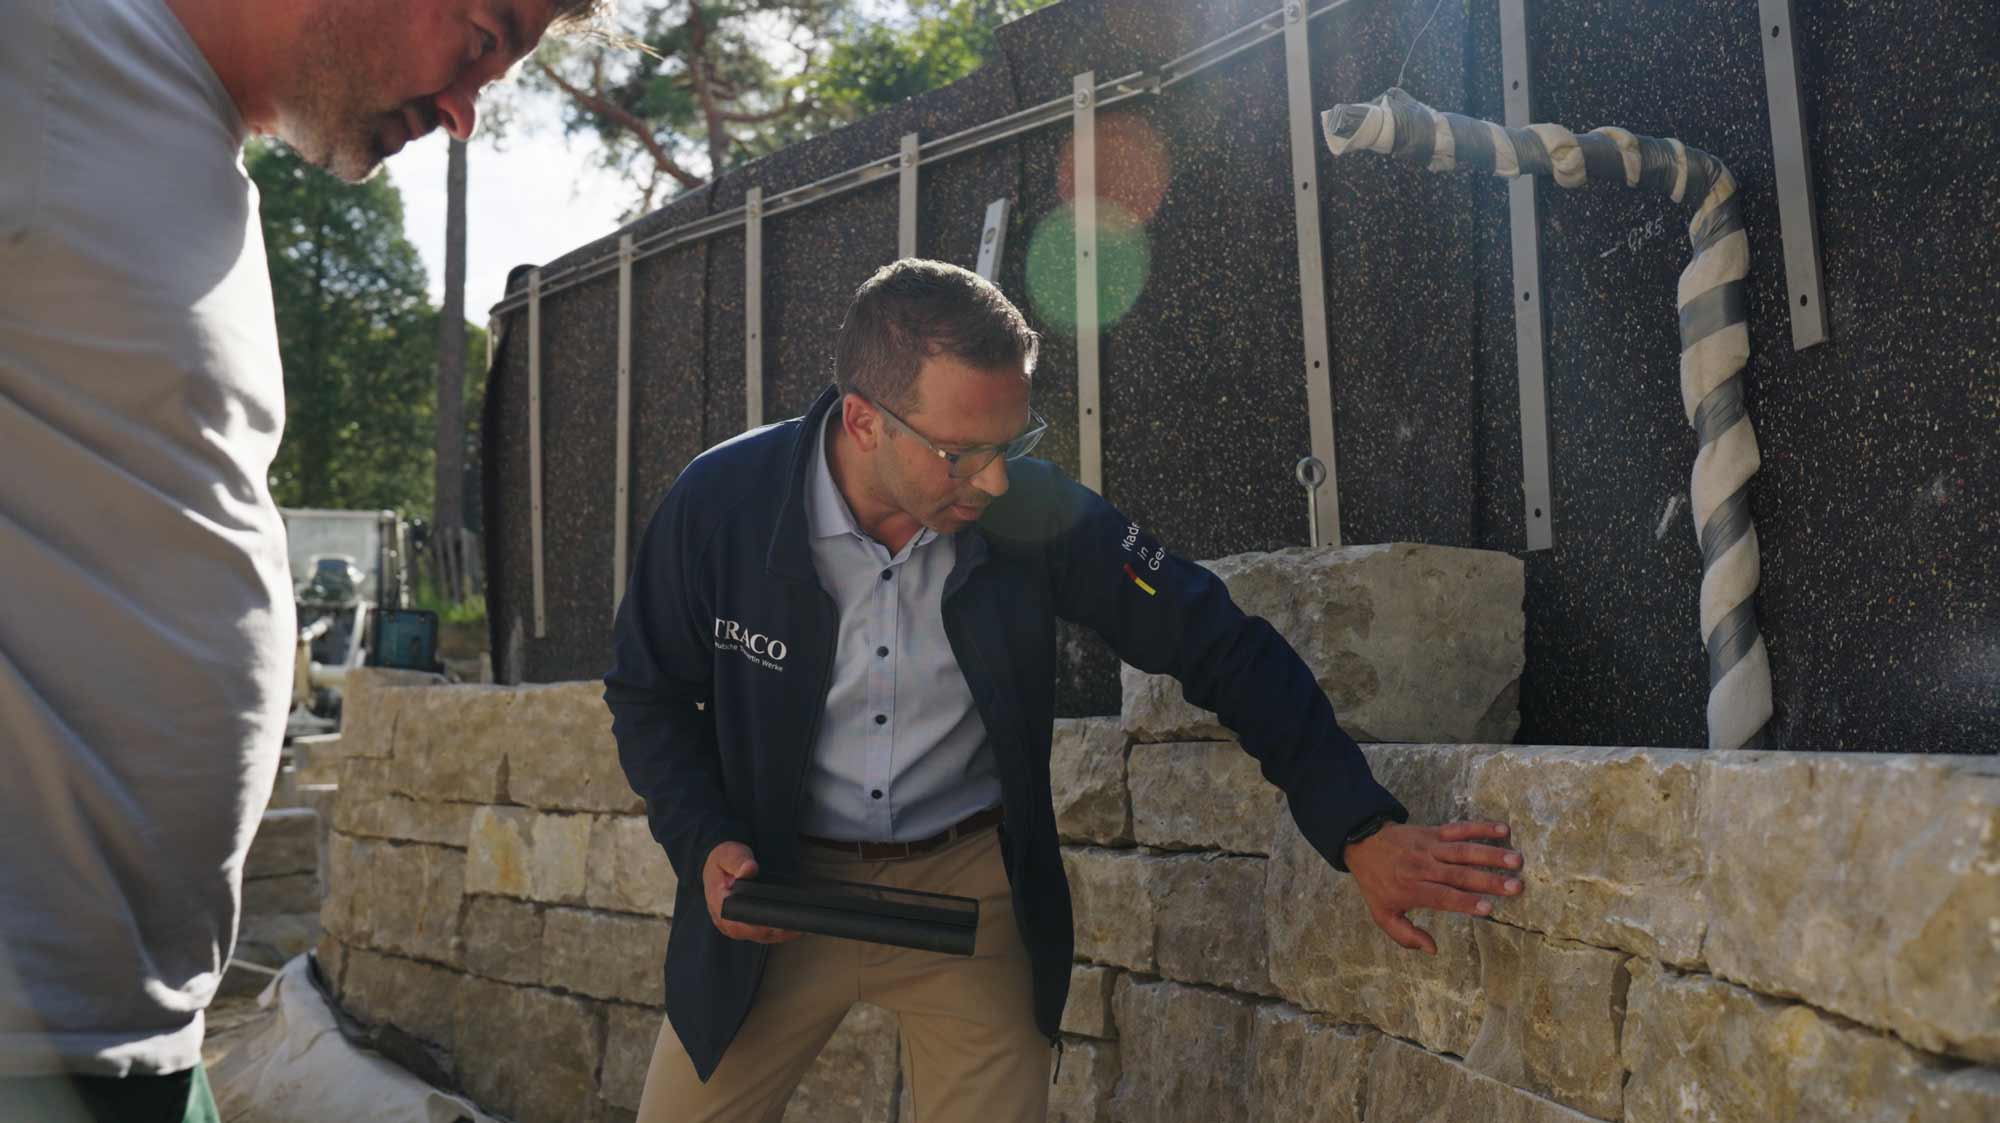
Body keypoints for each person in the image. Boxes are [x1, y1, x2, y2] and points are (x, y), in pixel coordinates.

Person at [605, 258, 1528, 1123]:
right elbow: (646, 695)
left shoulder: (1029, 510)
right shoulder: (717, 503)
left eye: (1014, 442)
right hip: (775, 892)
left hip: (969, 894)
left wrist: (1357, 823)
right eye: (963, 452)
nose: (996, 479)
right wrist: (704, 841)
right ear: (863, 422)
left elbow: (1216, 639)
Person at [0, 0, 590, 1117]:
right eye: (479, 38)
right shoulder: (43, 43)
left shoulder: (180, 134)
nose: (467, 114)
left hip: (133, 1025)